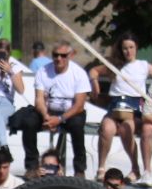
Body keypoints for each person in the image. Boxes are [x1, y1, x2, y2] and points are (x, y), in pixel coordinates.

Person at [10, 42, 91, 175]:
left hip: (70, 113)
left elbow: (79, 105)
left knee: (77, 126)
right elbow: (39, 99)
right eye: (55, 55)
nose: (59, 58)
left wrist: (59, 119)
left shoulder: (79, 73)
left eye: (63, 55)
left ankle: (79, 169)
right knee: (29, 122)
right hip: (48, 111)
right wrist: (46, 116)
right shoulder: (43, 71)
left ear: (69, 56)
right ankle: (32, 166)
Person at [97, 34, 151, 180]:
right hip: (115, 106)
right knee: (106, 128)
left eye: (131, 47)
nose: (128, 51)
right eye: (125, 48)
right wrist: (94, 83)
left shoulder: (143, 66)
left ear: (136, 48)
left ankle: (135, 168)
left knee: (126, 128)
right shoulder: (114, 65)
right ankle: (101, 167)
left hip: (133, 108)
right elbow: (94, 71)